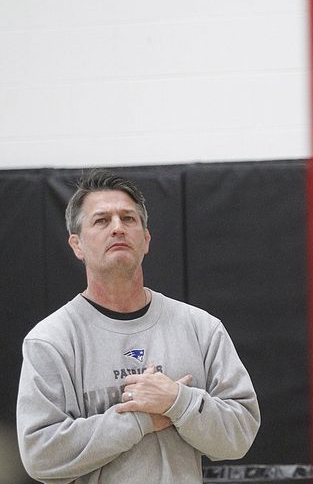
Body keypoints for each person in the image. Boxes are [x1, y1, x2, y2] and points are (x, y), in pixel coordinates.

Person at [16, 170, 260, 484]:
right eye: (101, 220)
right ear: (77, 245)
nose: (117, 227)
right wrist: (141, 419)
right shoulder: (50, 340)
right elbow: (40, 456)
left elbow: (240, 434)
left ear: (145, 240)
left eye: (128, 218)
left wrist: (177, 401)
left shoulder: (202, 328)